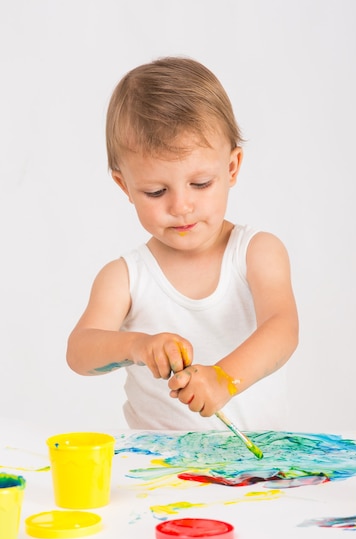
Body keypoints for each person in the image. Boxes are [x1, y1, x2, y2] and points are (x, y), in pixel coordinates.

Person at [66, 56, 299, 431]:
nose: (181, 206)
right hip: (159, 473)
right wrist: (137, 347)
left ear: (232, 168)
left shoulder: (257, 252)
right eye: (156, 191)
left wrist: (225, 379)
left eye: (200, 184)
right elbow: (79, 354)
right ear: (125, 186)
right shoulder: (125, 278)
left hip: (258, 468)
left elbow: (282, 329)